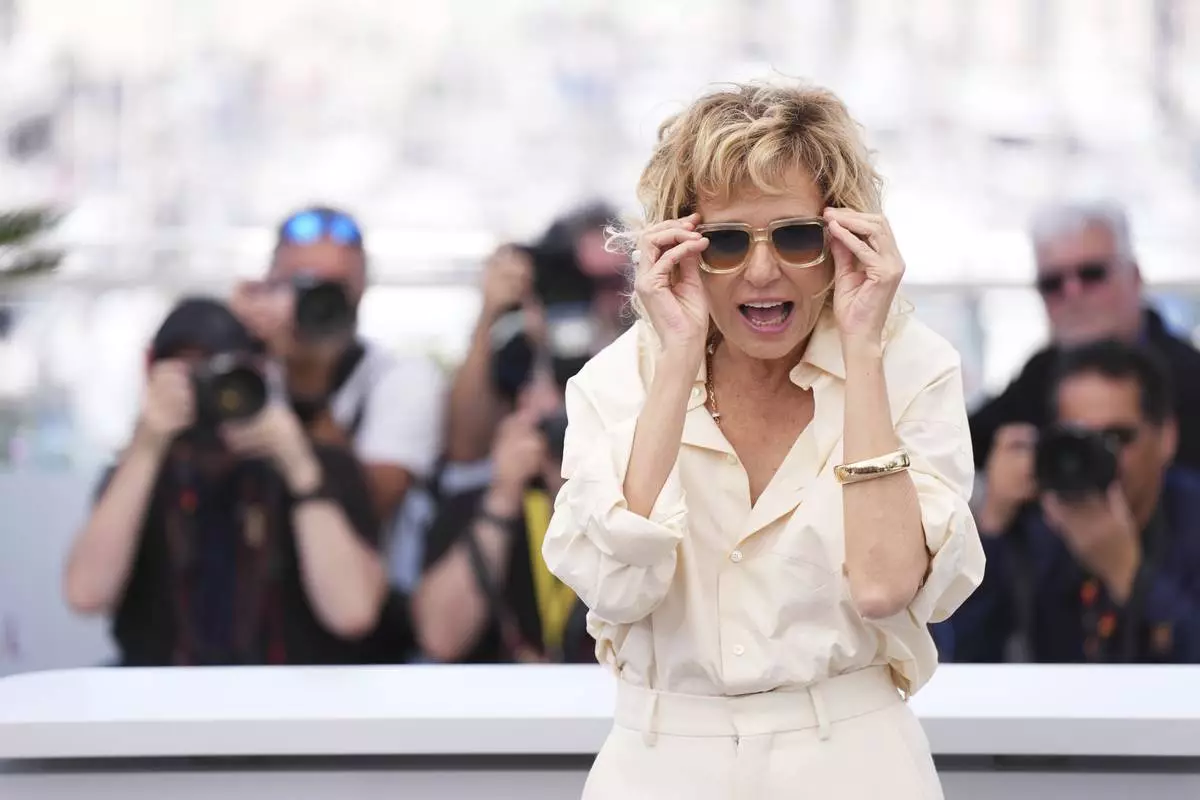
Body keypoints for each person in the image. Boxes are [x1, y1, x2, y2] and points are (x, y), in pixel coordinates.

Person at [542, 82, 984, 798]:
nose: (760, 270)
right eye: (723, 241)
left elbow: (885, 585)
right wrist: (677, 358)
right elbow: (610, 587)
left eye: (796, 236)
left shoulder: (908, 365)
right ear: (682, 244)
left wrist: (863, 356)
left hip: (855, 762)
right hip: (659, 762)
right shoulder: (618, 380)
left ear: (843, 238)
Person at [63, 298, 385, 665]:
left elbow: (353, 613)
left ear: (257, 372)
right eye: (186, 375)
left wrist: (299, 469)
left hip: (287, 702)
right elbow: (86, 594)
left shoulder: (321, 465)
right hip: (160, 701)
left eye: (219, 372)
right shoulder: (141, 475)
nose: (204, 391)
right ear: (152, 374)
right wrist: (147, 446)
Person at [231, 207, 447, 659]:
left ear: (362, 292)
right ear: (269, 284)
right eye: (301, 283)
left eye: (334, 289)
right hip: (236, 629)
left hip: (359, 641)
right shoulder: (240, 366)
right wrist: (226, 341)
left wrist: (305, 381)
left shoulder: (400, 378)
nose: (316, 301)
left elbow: (372, 505)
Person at [953, 340, 1200, 663]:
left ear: (1166, 437)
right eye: (1076, 438)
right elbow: (959, 658)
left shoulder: (1191, 520)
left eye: (1116, 437)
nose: (1097, 455)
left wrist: (1128, 574)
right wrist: (991, 527)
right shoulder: (1033, 520)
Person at [971, 201, 1200, 539]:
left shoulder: (1190, 378)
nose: (1073, 293)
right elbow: (963, 442)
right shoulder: (1040, 372)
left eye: (1092, 274)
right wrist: (994, 510)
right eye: (1052, 283)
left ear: (1134, 277)